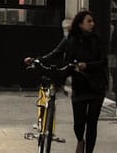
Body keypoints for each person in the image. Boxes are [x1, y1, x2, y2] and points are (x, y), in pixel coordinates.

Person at [25, 9, 107, 153]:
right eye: (89, 21)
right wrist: (37, 60)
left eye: (93, 21)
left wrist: (87, 65)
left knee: (92, 122)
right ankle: (80, 140)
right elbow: (55, 53)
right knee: (79, 123)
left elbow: (103, 61)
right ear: (80, 24)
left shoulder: (96, 39)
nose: (92, 24)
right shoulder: (71, 39)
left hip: (96, 86)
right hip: (80, 86)